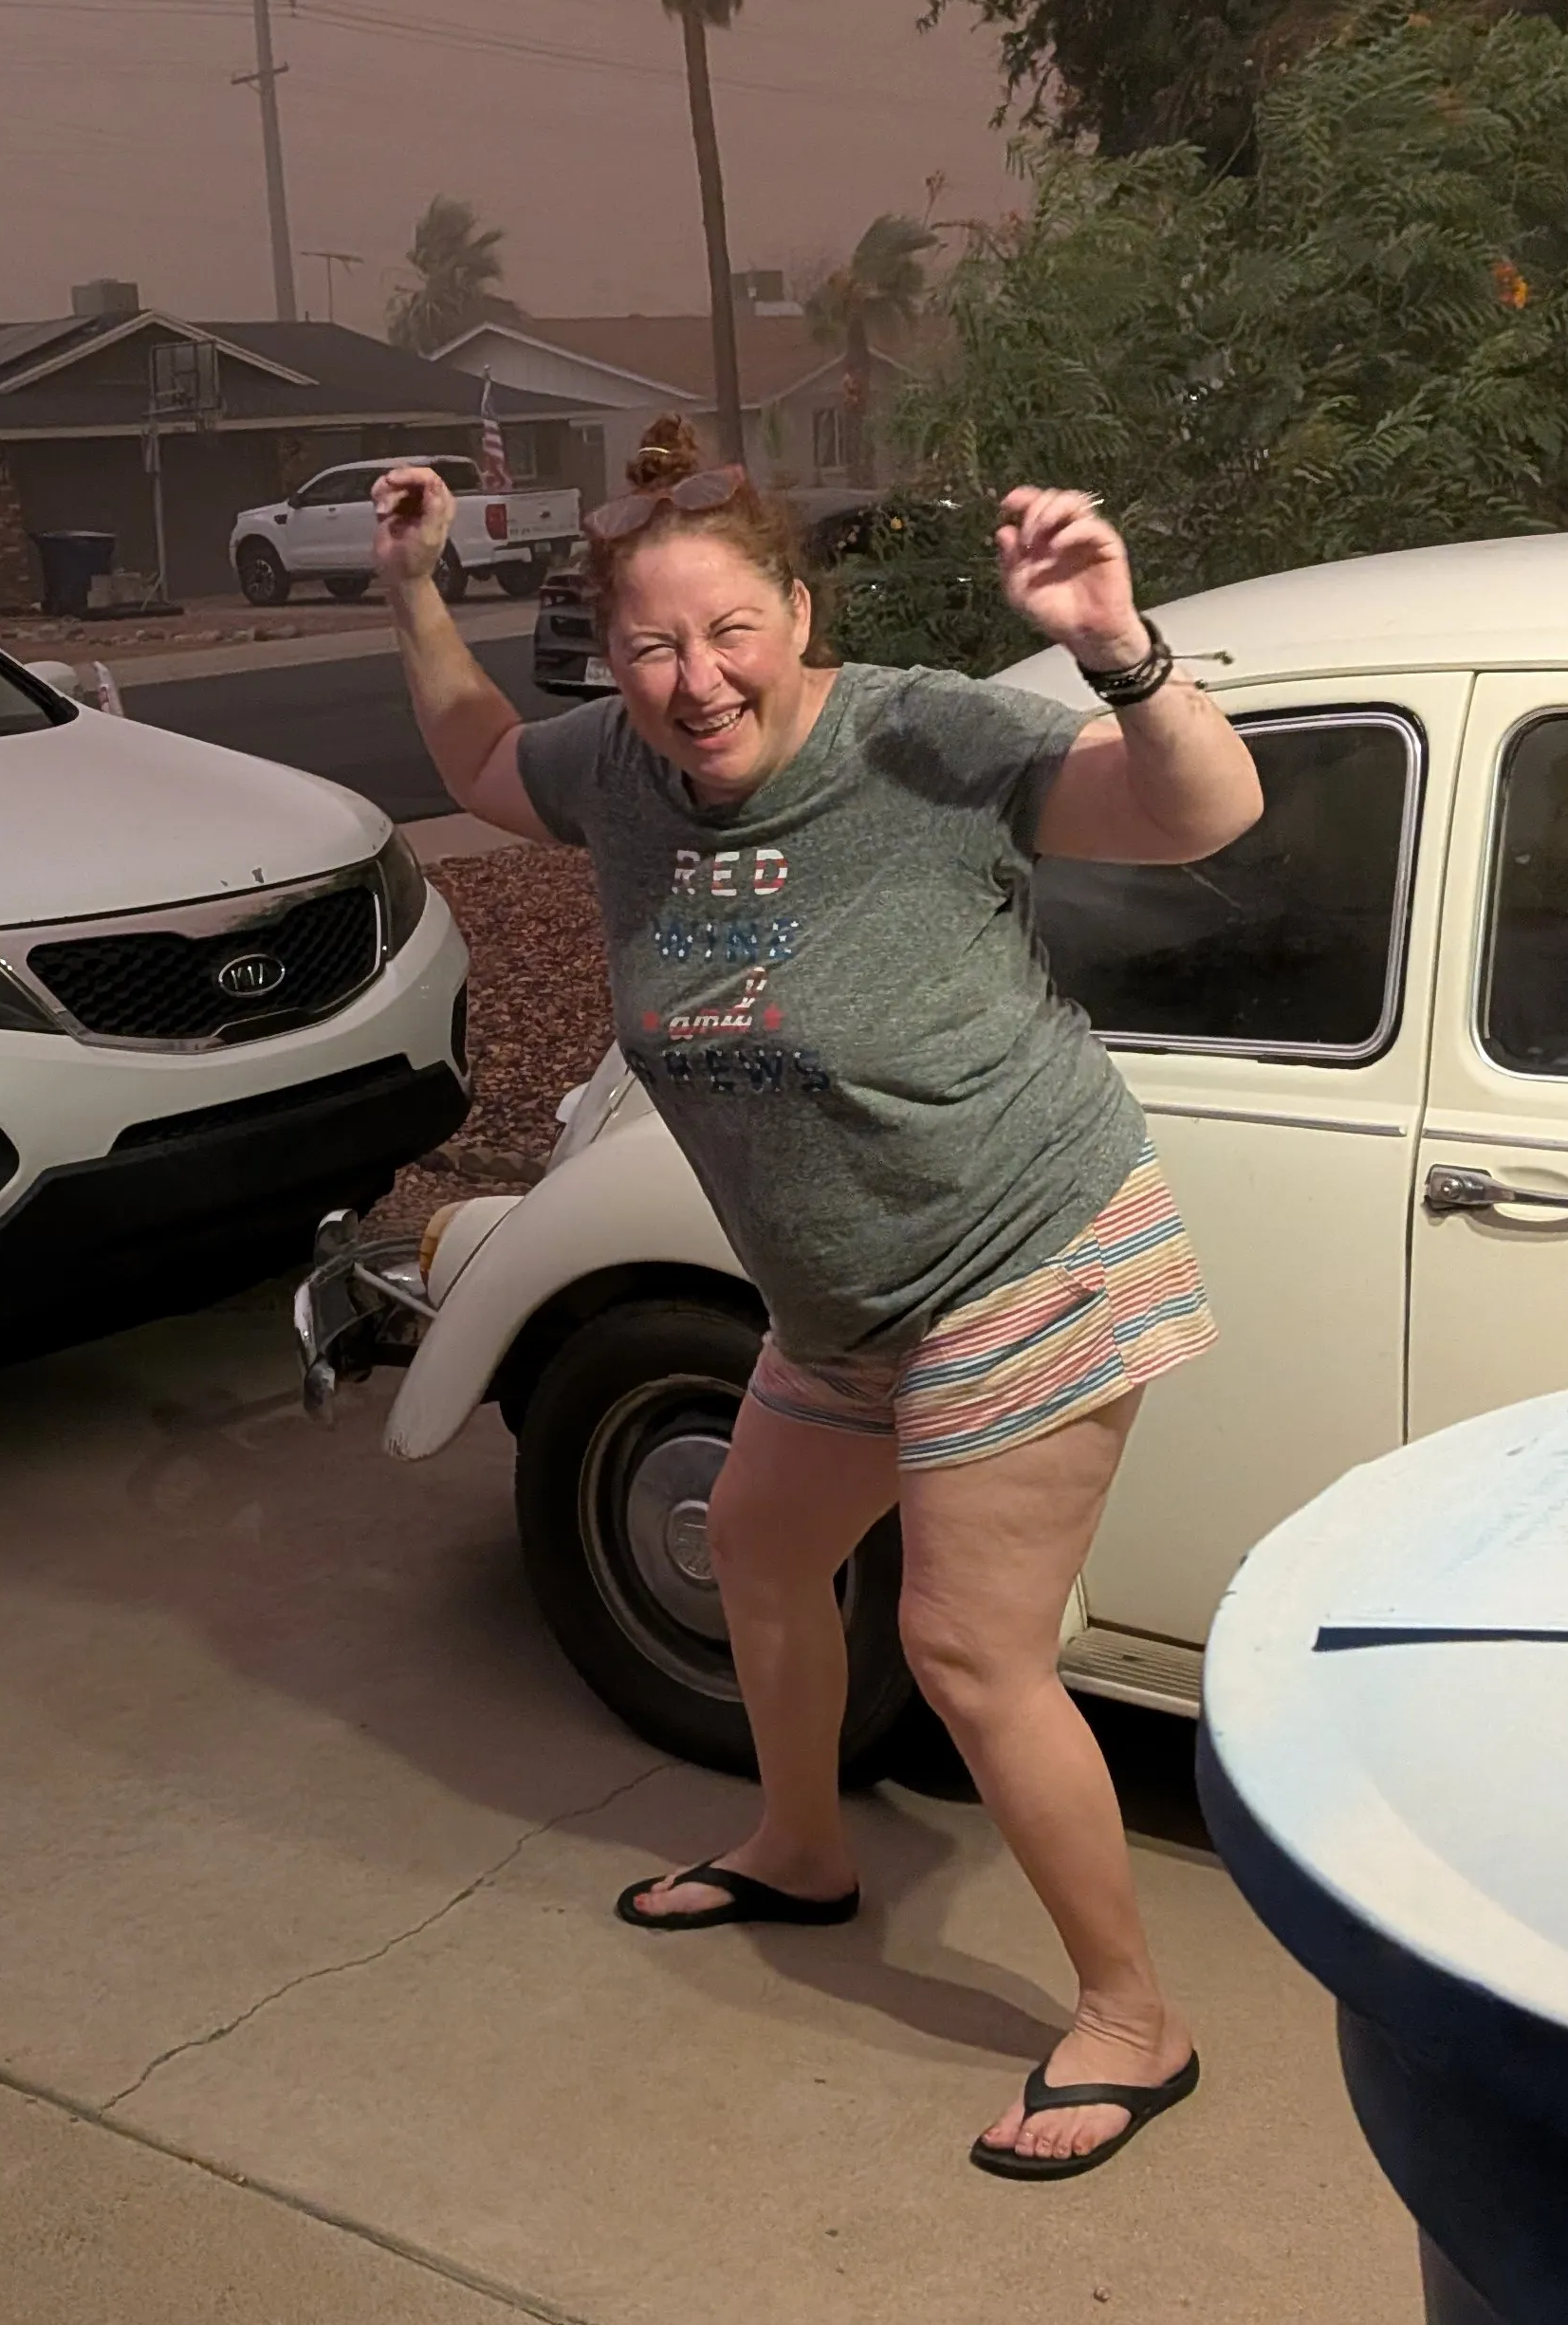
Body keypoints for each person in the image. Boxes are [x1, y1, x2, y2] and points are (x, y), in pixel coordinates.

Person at [372, 417, 1263, 2179]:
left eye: (730, 632)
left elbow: (1196, 811)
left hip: (1027, 1252)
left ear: (794, 606)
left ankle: (1130, 2021)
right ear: (609, 653)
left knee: (965, 1648)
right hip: (846, 1298)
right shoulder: (618, 773)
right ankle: (802, 1846)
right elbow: (479, 761)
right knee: (765, 1547)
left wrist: (1115, 646)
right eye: (649, 645)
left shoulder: (918, 734)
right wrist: (410, 584)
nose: (695, 680)